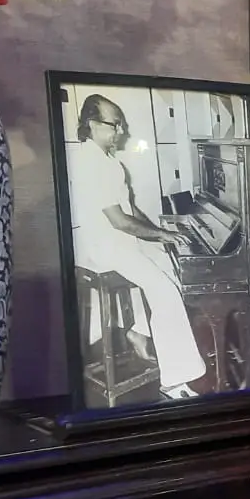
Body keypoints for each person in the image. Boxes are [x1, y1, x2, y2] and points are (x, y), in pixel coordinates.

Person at [73, 94, 206, 400]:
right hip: (103, 248)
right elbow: (120, 222)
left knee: (172, 266)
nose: (119, 131)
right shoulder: (88, 161)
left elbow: (130, 209)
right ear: (92, 124)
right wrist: (160, 236)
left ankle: (139, 331)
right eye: (113, 124)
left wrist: (162, 233)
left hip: (120, 239)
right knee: (166, 292)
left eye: (120, 125)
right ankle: (175, 383)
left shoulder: (107, 158)